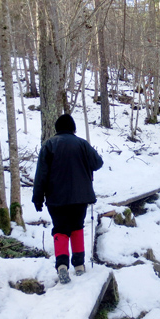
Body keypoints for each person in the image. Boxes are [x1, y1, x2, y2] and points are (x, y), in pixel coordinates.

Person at [32, 114, 103, 284]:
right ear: (73, 128)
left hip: (56, 198)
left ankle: (62, 265)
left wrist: (38, 198)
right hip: (81, 197)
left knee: (60, 229)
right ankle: (79, 265)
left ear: (57, 129)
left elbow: (41, 174)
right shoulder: (82, 144)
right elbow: (98, 163)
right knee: (77, 227)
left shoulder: (49, 145)